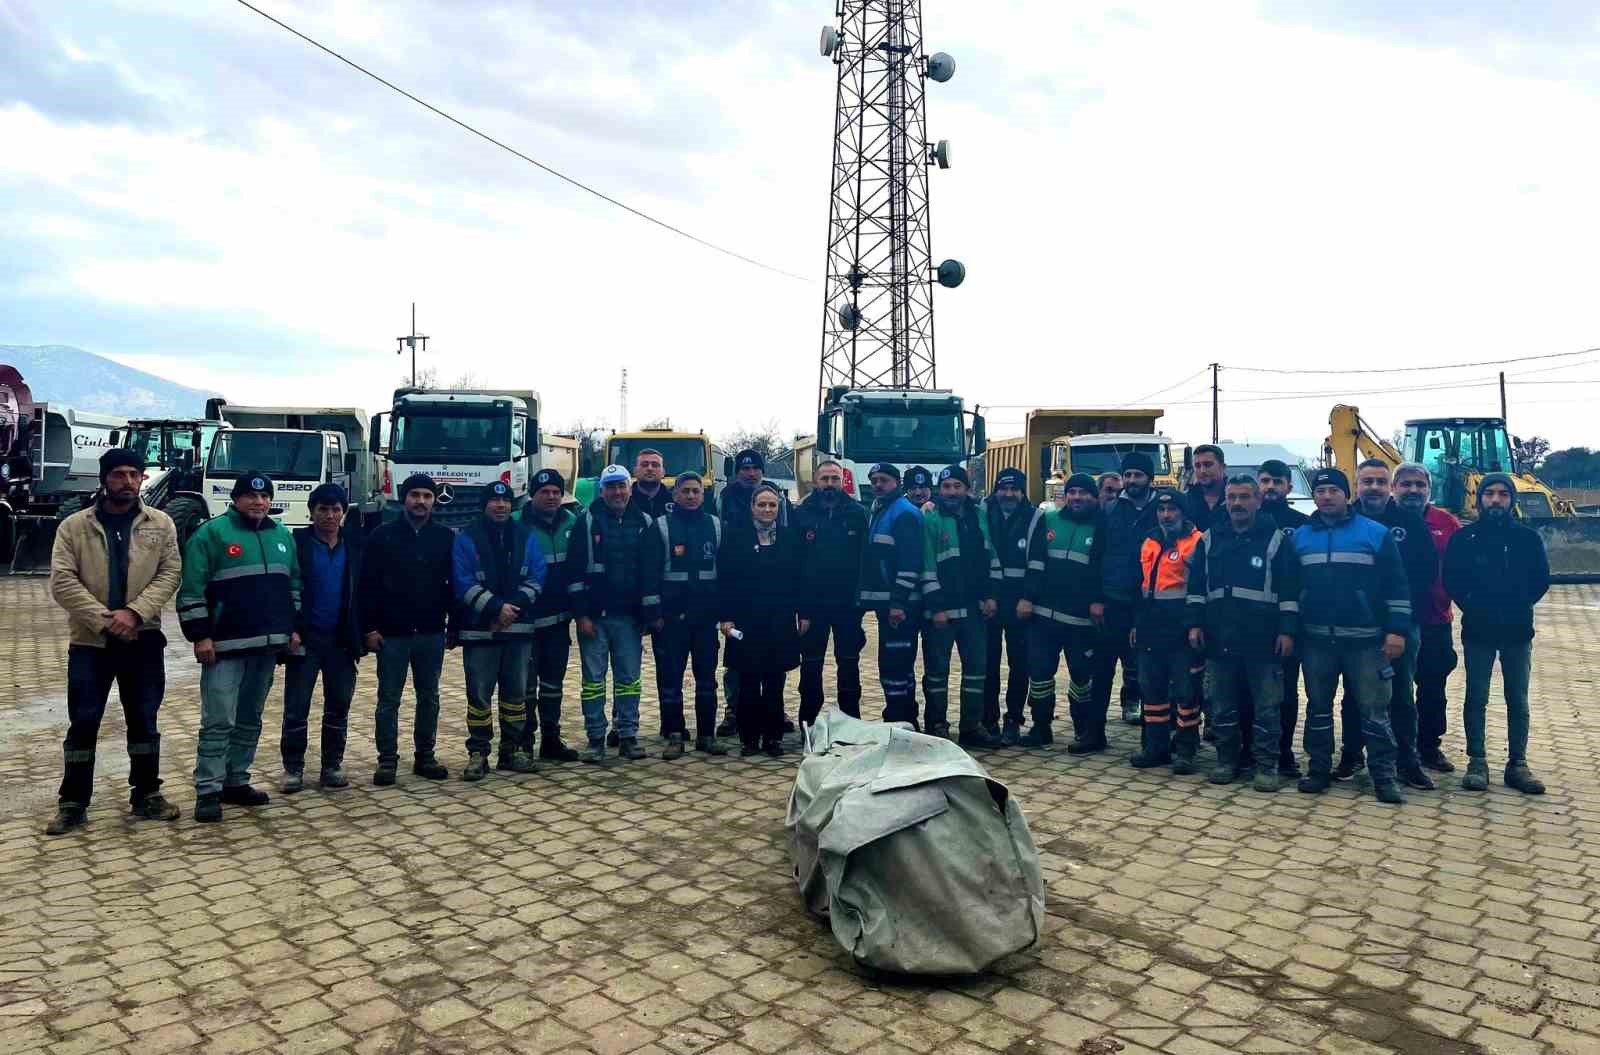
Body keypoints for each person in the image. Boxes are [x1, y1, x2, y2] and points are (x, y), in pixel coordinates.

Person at [44, 448, 183, 834]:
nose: (128, 481)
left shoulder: (161, 524)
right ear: (104, 479)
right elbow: (62, 581)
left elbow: (170, 573)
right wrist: (106, 620)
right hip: (91, 643)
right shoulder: (74, 527)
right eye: (119, 474)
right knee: (84, 721)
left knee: (144, 720)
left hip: (143, 639)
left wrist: (135, 613)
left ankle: (147, 794)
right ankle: (73, 803)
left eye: (134, 474)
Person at [178, 470, 302, 822]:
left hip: (266, 647)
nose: (258, 502)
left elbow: (293, 585)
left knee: (250, 719)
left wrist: (292, 628)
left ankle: (236, 781)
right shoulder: (211, 534)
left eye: (264, 496)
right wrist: (200, 635)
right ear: (235, 499)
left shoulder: (282, 536)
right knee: (218, 720)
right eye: (250, 496)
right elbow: (191, 591)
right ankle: (208, 790)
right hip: (223, 647)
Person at [1290, 468, 1411, 804]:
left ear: (1347, 495)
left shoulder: (1375, 533)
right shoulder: (1300, 537)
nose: (1327, 496)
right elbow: (1290, 588)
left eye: (1334, 490)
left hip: (1367, 642)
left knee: (1375, 712)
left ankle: (1384, 776)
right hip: (1317, 641)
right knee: (1318, 709)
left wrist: (1397, 631)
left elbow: (1397, 586)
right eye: (1320, 491)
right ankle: (1318, 769)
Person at [1186, 476, 1300, 790]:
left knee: (1267, 708)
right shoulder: (1209, 538)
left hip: (1263, 639)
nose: (1237, 503)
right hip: (1219, 636)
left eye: (1245, 497)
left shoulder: (1276, 540)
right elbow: (1196, 587)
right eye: (1232, 497)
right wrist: (1194, 623)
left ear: (1258, 501)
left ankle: (1266, 766)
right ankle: (1227, 761)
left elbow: (1289, 590)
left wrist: (1287, 630)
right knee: (1222, 705)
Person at [1443, 474, 1550, 794]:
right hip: (1478, 630)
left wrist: (1518, 603)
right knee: (1476, 696)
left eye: (1503, 494)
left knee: (1517, 698)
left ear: (1512, 500)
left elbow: (1540, 579)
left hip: (1518, 631)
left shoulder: (1527, 539)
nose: (1496, 499)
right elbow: (1452, 579)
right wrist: (1473, 604)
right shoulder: (1464, 538)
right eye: (1489, 493)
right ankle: (1477, 762)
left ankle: (1518, 764)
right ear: (1479, 499)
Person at [1338, 459, 1438, 790]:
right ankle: (1352, 754)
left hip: (1400, 625)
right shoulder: (1343, 519)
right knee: (1354, 694)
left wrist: (1400, 621)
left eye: (1380, 481)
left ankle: (1407, 761)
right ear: (1357, 485)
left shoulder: (1410, 523)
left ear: (1389, 487)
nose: (1374, 487)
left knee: (1401, 695)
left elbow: (1425, 573)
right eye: (1367, 481)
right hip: (1355, 625)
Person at [362, 474, 455, 786]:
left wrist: (454, 626)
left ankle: (425, 756)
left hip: (431, 631)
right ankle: (387, 760)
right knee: (389, 699)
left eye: (427, 496)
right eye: (415, 495)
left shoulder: (445, 537)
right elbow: (367, 585)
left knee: (429, 697)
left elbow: (453, 586)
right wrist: (369, 628)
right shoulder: (382, 535)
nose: (420, 501)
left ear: (434, 501)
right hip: (392, 634)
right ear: (404, 499)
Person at [452, 479, 546, 781]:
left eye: (506, 501)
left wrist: (509, 610)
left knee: (516, 695)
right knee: (479, 696)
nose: (501, 505)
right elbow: (462, 581)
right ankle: (478, 752)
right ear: (485, 505)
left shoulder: (526, 535)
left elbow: (537, 577)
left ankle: (512, 750)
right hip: (480, 632)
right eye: (494, 500)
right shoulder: (467, 537)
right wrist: (495, 608)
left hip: (517, 629)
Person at [569, 464, 659, 762]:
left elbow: (650, 572)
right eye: (611, 487)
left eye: (622, 486)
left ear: (630, 489)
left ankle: (627, 735)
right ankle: (595, 738)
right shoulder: (586, 521)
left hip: (629, 619)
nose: (617, 492)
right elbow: (574, 572)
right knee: (593, 683)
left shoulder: (644, 522)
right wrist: (581, 615)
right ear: (602, 491)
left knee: (629, 679)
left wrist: (647, 615)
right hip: (594, 619)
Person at [280, 483, 364, 794]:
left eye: (335, 509)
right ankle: (293, 768)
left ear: (344, 512)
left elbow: (363, 592)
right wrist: (290, 628)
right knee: (296, 707)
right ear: (311, 512)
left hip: (341, 641)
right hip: (305, 639)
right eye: (323, 509)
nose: (329, 515)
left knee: (339, 705)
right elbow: (284, 588)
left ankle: (332, 765)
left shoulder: (354, 545)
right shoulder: (296, 543)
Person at [918, 465, 1002, 748]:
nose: (952, 492)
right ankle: (936, 725)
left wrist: (991, 596)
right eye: (946, 487)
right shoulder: (930, 517)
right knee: (937, 672)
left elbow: (990, 556)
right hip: (942, 611)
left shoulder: (979, 515)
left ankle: (971, 727)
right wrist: (936, 608)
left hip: (975, 610)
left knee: (976, 671)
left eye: (957, 486)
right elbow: (927, 565)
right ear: (939, 490)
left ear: (967, 489)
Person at [1019, 473, 1104, 750]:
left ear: (1094, 497)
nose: (1077, 497)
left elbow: (1101, 569)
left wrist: (1098, 600)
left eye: (1083, 493)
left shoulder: (1102, 525)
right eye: (1072, 492)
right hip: (1044, 615)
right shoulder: (1049, 519)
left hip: (1081, 620)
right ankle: (1040, 727)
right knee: (1040, 674)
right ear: (1065, 495)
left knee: (1081, 677)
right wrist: (1028, 598)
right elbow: (1035, 562)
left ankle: (1082, 728)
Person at [719, 483, 803, 757]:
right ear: (752, 507)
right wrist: (726, 617)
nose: (767, 510)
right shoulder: (735, 537)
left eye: (772, 505)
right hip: (746, 620)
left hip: (780, 619)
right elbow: (726, 580)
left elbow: (800, 579)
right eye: (762, 505)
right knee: (748, 680)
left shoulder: (790, 538)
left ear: (778, 509)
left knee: (775, 681)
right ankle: (749, 738)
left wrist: (803, 613)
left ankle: (773, 737)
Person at [645, 471, 726, 757]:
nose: (691, 496)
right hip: (671, 620)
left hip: (705, 620)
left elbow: (725, 573)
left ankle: (706, 736)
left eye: (696, 491)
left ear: (703, 495)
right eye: (685, 491)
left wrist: (723, 612)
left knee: (707, 680)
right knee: (671, 681)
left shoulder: (715, 526)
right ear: (675, 494)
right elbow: (649, 573)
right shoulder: (661, 526)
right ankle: (675, 736)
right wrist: (654, 613)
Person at [1126, 489, 1201, 772]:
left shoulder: (1196, 542)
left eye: (1172, 510)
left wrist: (1195, 625)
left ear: (1183, 512)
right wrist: (1136, 624)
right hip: (1150, 628)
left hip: (1181, 630)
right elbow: (1141, 587)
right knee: (1152, 691)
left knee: (1186, 694)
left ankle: (1185, 750)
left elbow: (1200, 588)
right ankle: (1155, 747)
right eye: (1161, 510)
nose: (1166, 515)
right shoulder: (1150, 541)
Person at [1393, 463, 1461, 773]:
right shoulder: (1385, 520)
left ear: (1429, 490)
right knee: (1396, 689)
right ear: (1394, 488)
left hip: (1434, 619)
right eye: (1406, 484)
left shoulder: (1446, 523)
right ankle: (1395, 747)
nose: (1413, 490)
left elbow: (1461, 569)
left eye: (1419, 485)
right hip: (1395, 623)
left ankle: (1429, 746)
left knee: (1433, 686)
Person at [793, 459, 868, 726]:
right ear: (815, 481)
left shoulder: (858, 513)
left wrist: (861, 601)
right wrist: (801, 607)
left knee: (848, 665)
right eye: (824, 479)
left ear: (842, 481)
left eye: (834, 479)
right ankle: (809, 722)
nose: (829, 484)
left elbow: (865, 560)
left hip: (848, 605)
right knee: (811, 666)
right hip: (812, 606)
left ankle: (851, 723)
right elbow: (794, 564)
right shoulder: (801, 513)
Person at [716, 448, 785, 737]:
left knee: (772, 661)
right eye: (745, 469)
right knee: (739, 663)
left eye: (755, 468)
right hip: (741, 588)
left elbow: (784, 532)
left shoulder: (776, 495)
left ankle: (773, 712)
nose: (750, 473)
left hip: (771, 596)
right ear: (737, 472)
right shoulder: (725, 497)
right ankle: (734, 711)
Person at [517, 468, 581, 761]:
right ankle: (524, 743)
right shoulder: (517, 524)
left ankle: (551, 740)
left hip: (558, 621)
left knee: (553, 685)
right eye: (545, 492)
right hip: (526, 622)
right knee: (525, 687)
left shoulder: (572, 522)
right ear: (533, 495)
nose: (552, 497)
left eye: (556, 492)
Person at [857, 463, 924, 724]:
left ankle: (899, 719)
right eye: (874, 480)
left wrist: (898, 602)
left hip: (901, 606)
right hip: (889, 604)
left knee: (895, 665)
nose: (877, 484)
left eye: (883, 480)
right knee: (897, 664)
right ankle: (904, 717)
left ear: (897, 483)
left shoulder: (903, 513)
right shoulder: (881, 509)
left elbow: (910, 562)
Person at [1097, 452, 1158, 729]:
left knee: (1140, 664)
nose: (1132, 480)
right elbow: (1096, 555)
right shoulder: (1110, 509)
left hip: (1147, 601)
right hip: (1113, 598)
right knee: (1103, 666)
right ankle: (1093, 730)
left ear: (1150, 478)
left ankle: (1141, 712)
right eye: (1128, 475)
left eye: (1138, 475)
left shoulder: (1161, 509)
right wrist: (1097, 597)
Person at [1256, 458, 1307, 777]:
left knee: (1286, 691)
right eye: (1265, 481)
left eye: (1277, 481)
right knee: (1251, 690)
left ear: (1289, 486)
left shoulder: (1303, 524)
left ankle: (1285, 751)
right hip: (1252, 621)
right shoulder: (1245, 519)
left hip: (1290, 620)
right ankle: (1253, 750)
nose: (1271, 487)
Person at [982, 467, 1033, 744]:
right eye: (1004, 488)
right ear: (996, 490)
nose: (1009, 494)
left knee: (1019, 665)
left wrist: (1029, 598)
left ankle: (1013, 720)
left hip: (1019, 605)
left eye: (1015, 489)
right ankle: (988, 720)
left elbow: (1038, 562)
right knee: (988, 664)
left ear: (1023, 492)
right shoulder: (982, 514)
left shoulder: (1034, 517)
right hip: (990, 602)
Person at [1184, 445, 1228, 531]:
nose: (1202, 471)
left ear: (1222, 467)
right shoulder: (1185, 501)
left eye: (1207, 465)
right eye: (1197, 466)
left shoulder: (1237, 499)